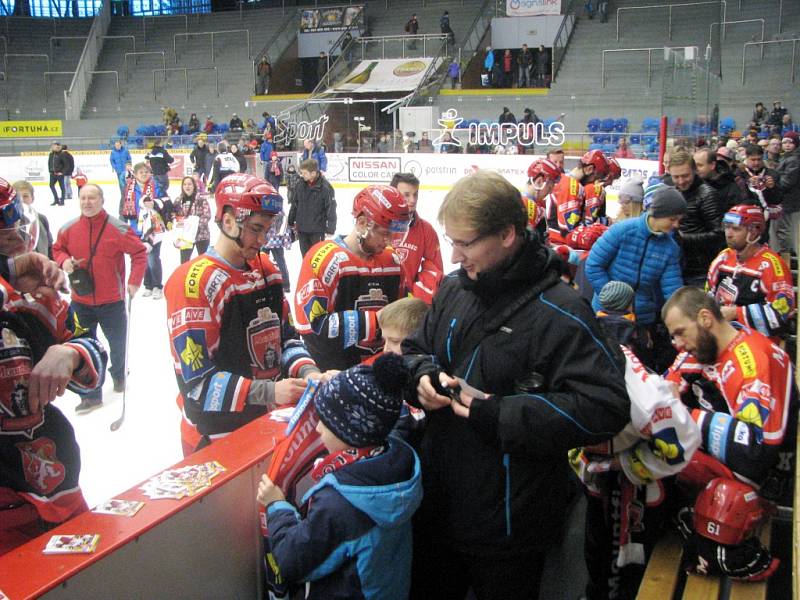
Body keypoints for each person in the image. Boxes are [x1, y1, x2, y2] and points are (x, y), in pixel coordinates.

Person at [402, 170, 629, 600]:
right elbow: (415, 349)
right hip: (435, 510)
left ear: (507, 234)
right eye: (451, 241)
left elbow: (606, 407)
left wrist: (501, 413)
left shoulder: (562, 311)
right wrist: (421, 377)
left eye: (465, 243)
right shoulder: (454, 288)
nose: (453, 256)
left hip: (508, 530)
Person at [164, 174, 319, 456]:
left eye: (267, 230)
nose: (262, 240)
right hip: (215, 435)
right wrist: (270, 392)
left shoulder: (267, 270)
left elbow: (285, 338)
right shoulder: (193, 283)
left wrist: (309, 372)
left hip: (265, 423)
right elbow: (197, 385)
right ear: (228, 221)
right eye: (255, 229)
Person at [257, 353, 422, 600]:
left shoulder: (341, 505)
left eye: (325, 421)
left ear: (351, 433)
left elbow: (293, 561)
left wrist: (277, 505)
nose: (317, 428)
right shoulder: (398, 460)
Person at [574, 280, 699, 600]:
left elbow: (678, 440)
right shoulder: (637, 338)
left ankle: (603, 592)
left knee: (607, 545)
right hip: (614, 469)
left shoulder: (586, 338)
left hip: (611, 471)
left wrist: (622, 461)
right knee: (612, 543)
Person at [0, 186, 107, 553]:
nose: (15, 238)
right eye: (3, 233)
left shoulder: (32, 297)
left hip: (53, 488)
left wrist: (70, 352)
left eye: (16, 228)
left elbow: (93, 359)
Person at [663, 287, 791, 582]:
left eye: (681, 332)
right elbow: (666, 386)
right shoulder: (703, 348)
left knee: (667, 458)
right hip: (729, 457)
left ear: (706, 318)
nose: (678, 345)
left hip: (761, 474)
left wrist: (683, 417)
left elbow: (756, 450)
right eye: (673, 336)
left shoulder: (753, 360)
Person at [53, 184, 146, 414]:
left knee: (117, 344)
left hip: (111, 301)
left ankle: (118, 374)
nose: (87, 202)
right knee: (84, 348)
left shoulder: (118, 228)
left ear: (102, 201)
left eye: (92, 198)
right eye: (83, 198)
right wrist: (63, 260)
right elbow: (56, 249)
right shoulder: (68, 228)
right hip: (80, 300)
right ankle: (91, 395)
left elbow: (139, 252)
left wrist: (134, 281)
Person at [294, 185, 409, 370]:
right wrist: (378, 319)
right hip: (335, 378)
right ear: (363, 223)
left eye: (395, 234)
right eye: (385, 233)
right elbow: (313, 329)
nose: (390, 241)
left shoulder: (393, 261)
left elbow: (404, 319)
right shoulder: (325, 259)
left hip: (381, 374)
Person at [586, 185, 686, 370]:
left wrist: (683, 315)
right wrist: (614, 298)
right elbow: (593, 265)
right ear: (659, 213)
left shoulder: (670, 248)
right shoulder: (623, 231)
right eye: (672, 219)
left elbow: (672, 289)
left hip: (640, 321)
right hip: (605, 314)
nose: (676, 225)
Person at [706, 204, 794, 343]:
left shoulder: (772, 265)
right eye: (727, 227)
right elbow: (709, 297)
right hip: (724, 340)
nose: (728, 233)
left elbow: (782, 313)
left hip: (760, 344)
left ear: (753, 231)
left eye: (736, 229)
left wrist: (736, 313)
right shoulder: (722, 258)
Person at [667, 147, 725, 286]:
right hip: (678, 267)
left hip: (700, 271)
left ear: (694, 171)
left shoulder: (708, 195)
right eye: (676, 177)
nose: (681, 181)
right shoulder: (673, 192)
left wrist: (683, 239)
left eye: (685, 176)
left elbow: (720, 234)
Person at [389, 173, 443, 303]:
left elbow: (435, 269)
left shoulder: (426, 230)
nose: (412, 200)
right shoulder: (380, 224)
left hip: (407, 303)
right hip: (377, 297)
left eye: (415, 194)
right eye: (406, 195)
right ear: (393, 195)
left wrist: (417, 293)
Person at [120, 162, 167, 299]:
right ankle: (148, 285)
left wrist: (155, 204)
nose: (144, 174)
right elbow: (123, 208)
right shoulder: (129, 188)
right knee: (142, 258)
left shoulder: (156, 186)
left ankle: (157, 285)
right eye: (141, 172)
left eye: (146, 172)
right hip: (137, 229)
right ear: (135, 174)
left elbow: (165, 202)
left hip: (154, 228)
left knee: (153, 258)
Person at [287, 158, 336, 257]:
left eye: (305, 173)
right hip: (302, 228)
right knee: (305, 257)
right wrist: (290, 221)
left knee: (317, 258)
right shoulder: (300, 184)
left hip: (317, 230)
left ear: (313, 173)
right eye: (302, 173)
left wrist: (331, 227)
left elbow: (331, 208)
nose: (302, 175)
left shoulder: (325, 187)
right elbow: (295, 203)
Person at [173, 176, 212, 264]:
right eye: (185, 184)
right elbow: (174, 216)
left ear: (194, 186)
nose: (187, 186)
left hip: (202, 235)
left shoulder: (201, 199)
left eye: (189, 184)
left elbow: (207, 215)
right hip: (186, 236)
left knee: (203, 262)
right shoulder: (178, 201)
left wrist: (194, 225)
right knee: (184, 262)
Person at [12, 180, 53, 258]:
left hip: (40, 266)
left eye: (25, 196)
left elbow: (49, 246)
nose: (21, 200)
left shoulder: (41, 219)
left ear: (32, 198)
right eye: (17, 197)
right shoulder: (6, 223)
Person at [776, 131, 800, 255]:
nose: (786, 145)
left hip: (788, 200)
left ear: (796, 144)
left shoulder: (793, 160)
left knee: (784, 229)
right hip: (786, 199)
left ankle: (787, 255)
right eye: (784, 142)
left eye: (790, 142)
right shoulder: (786, 157)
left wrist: (773, 183)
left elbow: (787, 182)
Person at [47, 141, 65, 207]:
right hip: (52, 173)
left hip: (59, 174)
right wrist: (50, 170)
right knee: (51, 185)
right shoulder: (51, 154)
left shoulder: (62, 154)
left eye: (54, 145)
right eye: (52, 146)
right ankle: (56, 199)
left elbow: (66, 164)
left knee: (62, 187)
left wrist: (62, 172)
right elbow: (49, 163)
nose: (52, 147)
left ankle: (62, 201)